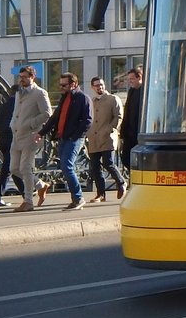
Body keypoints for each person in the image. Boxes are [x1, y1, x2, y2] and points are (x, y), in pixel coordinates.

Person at [36, 72, 92, 211]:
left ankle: (78, 198)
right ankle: (75, 199)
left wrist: (75, 135)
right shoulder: (64, 98)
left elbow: (88, 121)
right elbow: (55, 118)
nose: (61, 87)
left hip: (74, 138)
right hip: (62, 137)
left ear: (74, 84)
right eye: (60, 85)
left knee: (67, 165)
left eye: (64, 85)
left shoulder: (83, 98)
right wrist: (41, 133)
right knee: (65, 166)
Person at [8, 66, 52, 213]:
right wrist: (13, 124)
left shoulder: (40, 93)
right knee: (14, 168)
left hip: (30, 135)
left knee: (25, 168)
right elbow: (17, 112)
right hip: (16, 135)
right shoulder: (19, 92)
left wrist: (31, 124)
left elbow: (47, 113)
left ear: (32, 77)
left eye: (25, 77)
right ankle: (40, 185)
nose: (22, 79)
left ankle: (28, 201)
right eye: (21, 76)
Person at [85, 76, 126, 203]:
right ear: (92, 87)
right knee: (95, 167)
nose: (99, 87)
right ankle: (100, 194)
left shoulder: (113, 99)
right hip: (93, 138)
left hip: (107, 137)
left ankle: (121, 182)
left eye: (101, 85)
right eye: (96, 85)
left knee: (108, 163)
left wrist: (110, 129)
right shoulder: (92, 101)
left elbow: (118, 116)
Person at [0, 85, 25, 206]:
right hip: (14, 140)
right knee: (9, 169)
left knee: (13, 166)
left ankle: (26, 193)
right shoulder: (20, 107)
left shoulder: (1, 107)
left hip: (1, 140)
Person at [119, 66, 144, 171]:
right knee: (125, 158)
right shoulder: (131, 92)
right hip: (130, 133)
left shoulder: (145, 91)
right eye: (129, 79)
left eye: (132, 79)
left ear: (139, 77)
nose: (130, 82)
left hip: (139, 132)